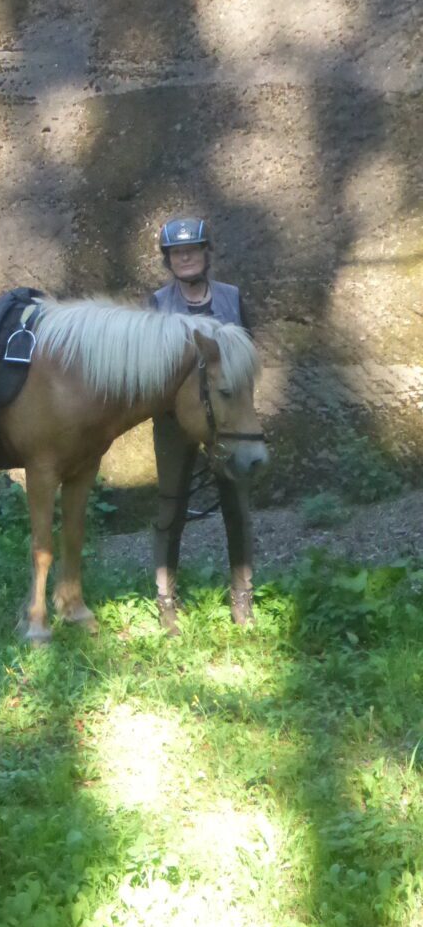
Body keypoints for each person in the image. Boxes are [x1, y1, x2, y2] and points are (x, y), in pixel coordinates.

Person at [150, 216, 256, 632]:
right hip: (175, 421)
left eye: (192, 249)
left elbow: (247, 358)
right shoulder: (158, 304)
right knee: (170, 505)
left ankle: (242, 595)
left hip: (225, 418)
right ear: (169, 260)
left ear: (206, 253)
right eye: (177, 252)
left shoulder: (231, 298)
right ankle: (165, 598)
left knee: (236, 503)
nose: (186, 257)